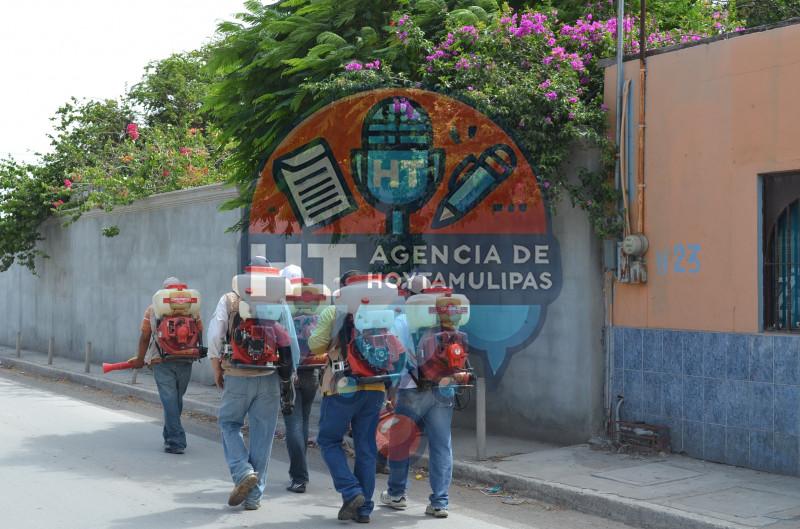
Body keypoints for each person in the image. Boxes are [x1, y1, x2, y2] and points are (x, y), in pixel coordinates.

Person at [206, 258, 299, 511]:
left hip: (237, 375)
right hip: (268, 378)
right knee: (263, 436)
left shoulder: (230, 299)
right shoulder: (278, 300)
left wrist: (216, 367)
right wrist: (288, 379)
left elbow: (215, 334)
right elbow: (289, 343)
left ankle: (242, 471)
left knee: (228, 423)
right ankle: (254, 496)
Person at [310, 270, 400, 524]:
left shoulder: (334, 312)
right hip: (374, 387)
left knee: (328, 440)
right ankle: (364, 510)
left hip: (342, 387)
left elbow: (316, 345)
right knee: (366, 447)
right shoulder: (383, 312)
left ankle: (351, 491)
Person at [381, 279, 459, 519]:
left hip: (411, 388)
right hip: (444, 388)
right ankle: (440, 501)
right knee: (441, 444)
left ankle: (396, 494)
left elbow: (395, 357)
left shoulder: (403, 320)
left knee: (401, 442)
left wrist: (390, 390)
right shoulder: (448, 319)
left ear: (411, 296)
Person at [130, 276, 202, 455]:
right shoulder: (192, 310)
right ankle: (171, 437)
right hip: (186, 359)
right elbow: (199, 330)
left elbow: (145, 336)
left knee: (170, 400)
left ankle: (176, 441)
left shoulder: (153, 309)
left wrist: (140, 358)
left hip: (161, 360)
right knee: (175, 400)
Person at [280, 264, 321, 494]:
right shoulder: (314, 309)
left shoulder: (283, 308)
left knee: (293, 424)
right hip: (312, 373)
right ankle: (300, 470)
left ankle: (299, 477)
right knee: (303, 421)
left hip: (291, 373)